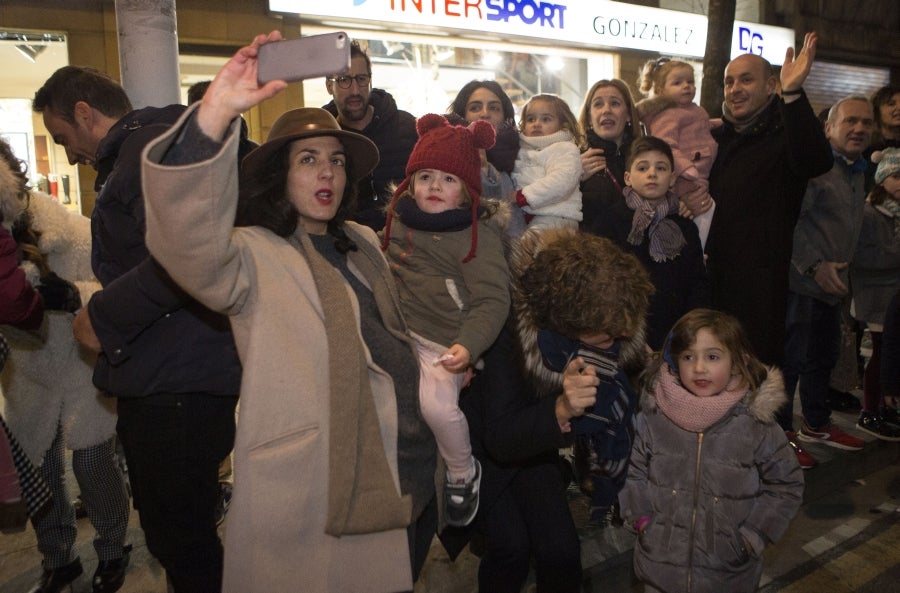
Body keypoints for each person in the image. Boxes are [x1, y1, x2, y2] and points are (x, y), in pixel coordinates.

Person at [140, 31, 437, 591]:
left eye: (336, 161)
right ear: (279, 174)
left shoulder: (362, 241)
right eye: (308, 159)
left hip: (411, 473)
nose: (327, 173)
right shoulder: (250, 255)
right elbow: (184, 238)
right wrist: (215, 114)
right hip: (321, 490)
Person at [33, 66, 242, 593]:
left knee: (182, 540)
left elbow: (187, 258)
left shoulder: (147, 157)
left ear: (85, 113)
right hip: (174, 373)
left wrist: (102, 316)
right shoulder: (142, 153)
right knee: (180, 533)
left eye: (62, 137)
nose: (68, 155)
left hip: (178, 384)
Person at [459, 228, 653, 591]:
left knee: (561, 551)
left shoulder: (608, 317)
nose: (616, 342)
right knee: (510, 549)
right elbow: (499, 437)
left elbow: (628, 364)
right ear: (569, 322)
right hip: (484, 450)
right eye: (607, 336)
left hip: (535, 446)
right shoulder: (508, 327)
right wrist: (561, 408)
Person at [0, 138, 131, 593]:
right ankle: (59, 560)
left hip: (81, 366)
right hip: (27, 370)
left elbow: (116, 292)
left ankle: (113, 547)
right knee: (39, 469)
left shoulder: (74, 232)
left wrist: (75, 294)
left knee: (93, 463)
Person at [380, 114, 510, 527]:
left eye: (448, 179)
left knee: (437, 408)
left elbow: (492, 298)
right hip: (397, 331)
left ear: (467, 190)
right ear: (410, 183)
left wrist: (469, 346)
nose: (434, 186)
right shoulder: (399, 221)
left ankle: (462, 471)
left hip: (444, 342)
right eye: (425, 176)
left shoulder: (476, 236)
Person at [620, 308, 804, 593]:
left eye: (713, 357)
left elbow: (786, 484)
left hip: (727, 576)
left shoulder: (755, 424)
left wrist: (751, 537)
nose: (699, 368)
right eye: (688, 357)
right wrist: (642, 521)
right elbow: (632, 473)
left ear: (737, 362)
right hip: (660, 571)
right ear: (674, 361)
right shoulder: (653, 417)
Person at [706, 32, 833, 369]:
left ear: (770, 85)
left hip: (760, 291)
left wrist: (793, 93)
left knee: (753, 375)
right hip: (712, 282)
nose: (735, 89)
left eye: (746, 80)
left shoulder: (786, 132)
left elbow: (816, 161)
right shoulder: (717, 137)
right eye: (729, 82)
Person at [781, 96, 875, 466]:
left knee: (823, 358)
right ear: (828, 128)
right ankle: (781, 439)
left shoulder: (857, 170)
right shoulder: (816, 169)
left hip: (832, 289)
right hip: (802, 285)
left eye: (866, 122)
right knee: (791, 363)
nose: (859, 128)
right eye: (850, 121)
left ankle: (816, 424)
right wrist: (814, 266)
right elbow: (791, 221)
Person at [615, 136, 709, 350]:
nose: (652, 174)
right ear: (628, 178)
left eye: (661, 168)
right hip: (626, 335)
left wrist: (691, 329)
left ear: (672, 178)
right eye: (642, 168)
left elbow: (697, 283)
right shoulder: (612, 221)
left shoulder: (685, 226)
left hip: (677, 333)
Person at [323, 39, 417, 231]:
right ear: (329, 86)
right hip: (350, 242)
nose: (355, 90)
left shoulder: (407, 127)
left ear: (370, 80)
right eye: (344, 80)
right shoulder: (323, 138)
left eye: (361, 79)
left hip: (408, 240)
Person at [636, 57, 718, 249]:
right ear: (661, 90)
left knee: (703, 209)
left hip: (700, 170)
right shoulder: (668, 115)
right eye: (678, 83)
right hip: (687, 175)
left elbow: (701, 126)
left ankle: (695, 249)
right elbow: (666, 146)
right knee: (705, 208)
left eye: (690, 81)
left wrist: (718, 123)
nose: (686, 86)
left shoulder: (694, 109)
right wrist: (686, 167)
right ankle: (697, 251)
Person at [851, 148, 900, 439]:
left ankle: (885, 405)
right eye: (896, 176)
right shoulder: (869, 212)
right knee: (880, 354)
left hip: (892, 294)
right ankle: (869, 410)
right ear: (882, 178)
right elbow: (862, 257)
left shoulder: (895, 213)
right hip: (876, 295)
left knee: (890, 353)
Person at [447, 80, 522, 237]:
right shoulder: (444, 158)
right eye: (475, 108)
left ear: (505, 117)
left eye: (494, 108)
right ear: (462, 115)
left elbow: (516, 230)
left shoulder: (522, 155)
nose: (485, 114)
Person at [577, 79, 646, 236]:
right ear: (589, 117)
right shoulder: (573, 157)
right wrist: (573, 179)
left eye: (615, 103)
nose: (606, 110)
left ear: (628, 115)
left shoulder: (646, 156)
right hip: (591, 246)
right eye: (598, 104)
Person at [511, 93, 583, 230]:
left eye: (546, 119)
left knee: (528, 244)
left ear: (563, 125)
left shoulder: (565, 148)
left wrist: (523, 196)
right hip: (528, 217)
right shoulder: (523, 150)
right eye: (531, 119)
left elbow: (562, 181)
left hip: (556, 217)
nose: (536, 124)